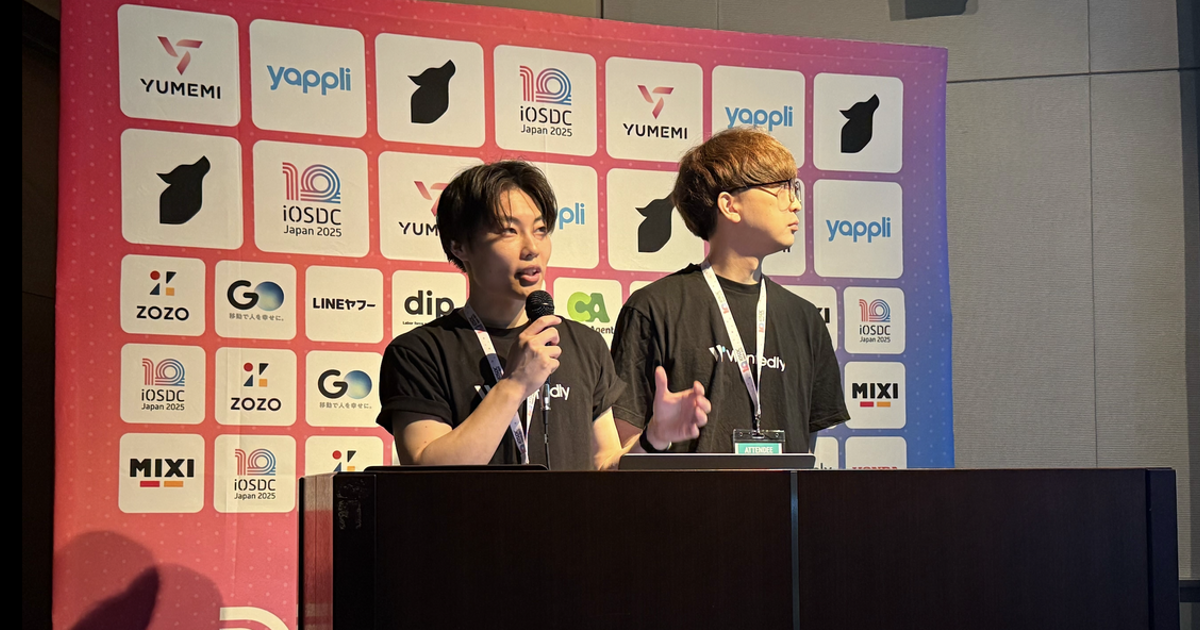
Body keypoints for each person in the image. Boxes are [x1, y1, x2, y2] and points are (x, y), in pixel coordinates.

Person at [376, 161, 708, 470]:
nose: (532, 248)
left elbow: (603, 464)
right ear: (459, 246)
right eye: (508, 231)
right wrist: (514, 384)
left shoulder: (585, 345)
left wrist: (653, 439)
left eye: (540, 230)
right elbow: (427, 472)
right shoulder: (418, 352)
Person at [610, 128, 849, 455]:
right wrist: (655, 436)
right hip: (687, 491)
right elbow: (623, 456)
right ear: (729, 205)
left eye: (794, 189)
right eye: (781, 188)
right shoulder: (654, 308)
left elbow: (805, 452)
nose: (795, 204)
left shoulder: (805, 319)